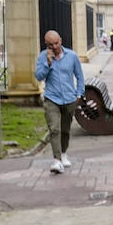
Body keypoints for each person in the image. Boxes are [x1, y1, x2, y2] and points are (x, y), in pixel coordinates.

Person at [34, 30, 85, 175]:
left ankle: (63, 153)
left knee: (65, 130)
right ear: (47, 45)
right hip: (52, 98)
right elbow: (39, 76)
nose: (54, 47)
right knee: (54, 129)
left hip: (69, 98)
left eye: (56, 43)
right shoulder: (43, 58)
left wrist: (79, 94)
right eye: (51, 45)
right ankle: (56, 160)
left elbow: (79, 76)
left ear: (60, 41)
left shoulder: (72, 56)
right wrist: (48, 63)